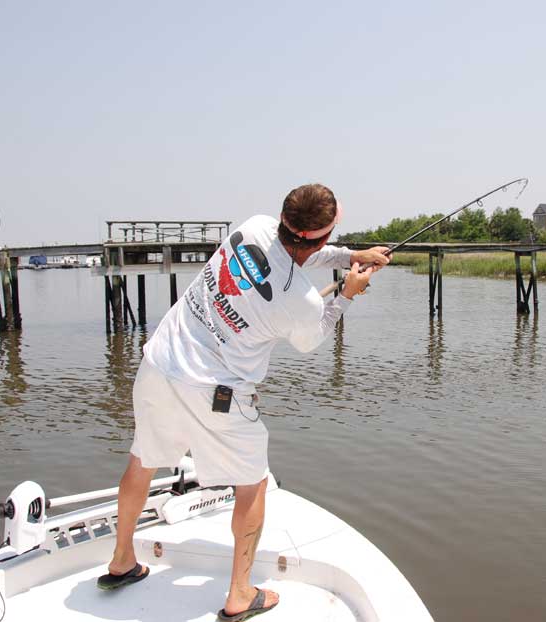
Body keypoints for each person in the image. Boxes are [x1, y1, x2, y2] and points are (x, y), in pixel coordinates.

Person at [97, 183, 390, 620]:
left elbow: (299, 252)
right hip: (217, 390)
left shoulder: (254, 227)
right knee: (252, 484)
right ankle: (239, 594)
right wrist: (347, 293)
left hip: (160, 362)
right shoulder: (301, 302)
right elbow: (312, 339)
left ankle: (121, 561)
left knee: (143, 459)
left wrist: (352, 257)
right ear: (323, 234)